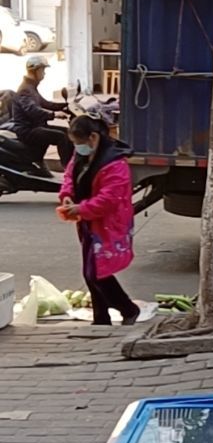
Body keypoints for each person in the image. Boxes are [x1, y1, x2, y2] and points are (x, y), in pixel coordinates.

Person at [57, 113, 140, 325]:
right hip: (87, 220)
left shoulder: (115, 164)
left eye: (80, 143)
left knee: (96, 272)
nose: (78, 148)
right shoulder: (81, 156)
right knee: (91, 272)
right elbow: (69, 176)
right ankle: (101, 318)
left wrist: (82, 208)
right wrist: (67, 196)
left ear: (93, 138)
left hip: (106, 222)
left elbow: (109, 199)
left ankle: (128, 308)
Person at [11, 54, 73, 170]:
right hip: (28, 130)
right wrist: (54, 114)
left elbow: (45, 104)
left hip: (36, 127)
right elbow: (32, 110)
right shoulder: (25, 89)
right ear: (36, 70)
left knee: (68, 133)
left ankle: (71, 167)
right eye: (43, 69)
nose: (44, 73)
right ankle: (68, 171)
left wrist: (66, 106)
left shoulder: (31, 87)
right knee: (61, 137)